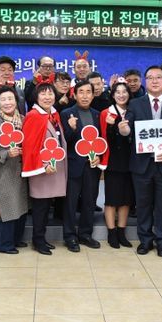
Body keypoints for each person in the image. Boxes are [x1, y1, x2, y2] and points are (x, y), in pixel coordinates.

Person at [119, 65, 162, 257]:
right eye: (150, 78)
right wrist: (124, 130)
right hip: (142, 164)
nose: (154, 81)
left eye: (158, 77)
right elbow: (128, 129)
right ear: (145, 81)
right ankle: (145, 240)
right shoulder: (135, 104)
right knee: (143, 205)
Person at [21, 83, 68, 255]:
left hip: (54, 169)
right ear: (36, 97)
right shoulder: (33, 116)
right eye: (43, 94)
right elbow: (29, 146)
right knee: (40, 207)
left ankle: (42, 238)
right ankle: (38, 240)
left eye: (50, 94)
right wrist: (43, 164)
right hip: (41, 170)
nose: (47, 97)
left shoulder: (53, 114)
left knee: (47, 206)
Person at [0, 86, 30, 254]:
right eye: (3, 100)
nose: (7, 102)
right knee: (7, 208)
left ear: (16, 101)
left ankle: (16, 240)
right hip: (4, 172)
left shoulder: (23, 119)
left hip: (21, 171)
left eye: (10, 99)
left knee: (21, 207)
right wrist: (5, 153)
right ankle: (3, 244)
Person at [60, 80, 103, 252]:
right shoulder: (66, 114)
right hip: (73, 165)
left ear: (93, 95)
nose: (85, 96)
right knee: (70, 203)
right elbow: (63, 141)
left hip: (92, 166)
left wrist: (99, 156)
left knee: (89, 201)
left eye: (88, 92)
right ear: (75, 95)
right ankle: (69, 236)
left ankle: (85, 234)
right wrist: (70, 128)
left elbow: (101, 141)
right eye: (81, 92)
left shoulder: (97, 115)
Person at [99, 80, 134, 248]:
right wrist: (111, 127)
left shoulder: (133, 111)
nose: (121, 95)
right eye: (117, 92)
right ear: (112, 95)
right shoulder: (107, 113)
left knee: (126, 199)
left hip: (131, 161)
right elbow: (103, 138)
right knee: (112, 198)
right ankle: (111, 233)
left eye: (124, 92)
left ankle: (121, 232)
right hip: (113, 160)